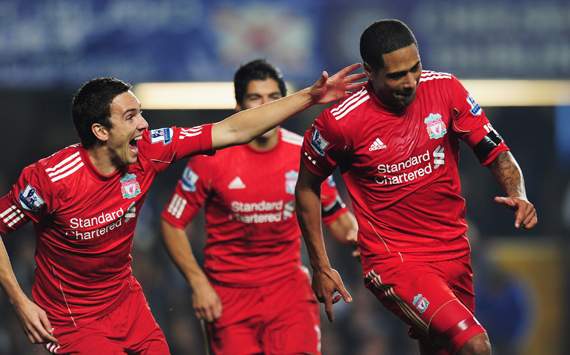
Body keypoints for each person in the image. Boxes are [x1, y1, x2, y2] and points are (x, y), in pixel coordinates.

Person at [0, 64, 365, 354]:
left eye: (140, 114)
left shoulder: (150, 150)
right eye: (130, 117)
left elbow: (232, 131)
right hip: (71, 319)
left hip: (126, 303)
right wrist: (20, 301)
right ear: (100, 131)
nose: (144, 124)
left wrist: (310, 96)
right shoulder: (50, 179)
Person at [295, 19, 538, 355]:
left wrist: (518, 192)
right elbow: (307, 187)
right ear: (370, 72)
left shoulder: (447, 90)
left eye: (415, 69)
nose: (409, 82)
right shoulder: (340, 124)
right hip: (395, 262)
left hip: (454, 254)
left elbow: (496, 151)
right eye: (396, 75)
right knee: (475, 345)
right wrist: (321, 265)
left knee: (443, 349)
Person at [160, 59, 359, 355]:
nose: (266, 108)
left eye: (274, 99)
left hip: (288, 292)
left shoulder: (303, 155)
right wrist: (198, 282)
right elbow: (171, 222)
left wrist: (365, 241)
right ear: (238, 107)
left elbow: (339, 219)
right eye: (256, 99)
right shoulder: (210, 160)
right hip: (229, 298)